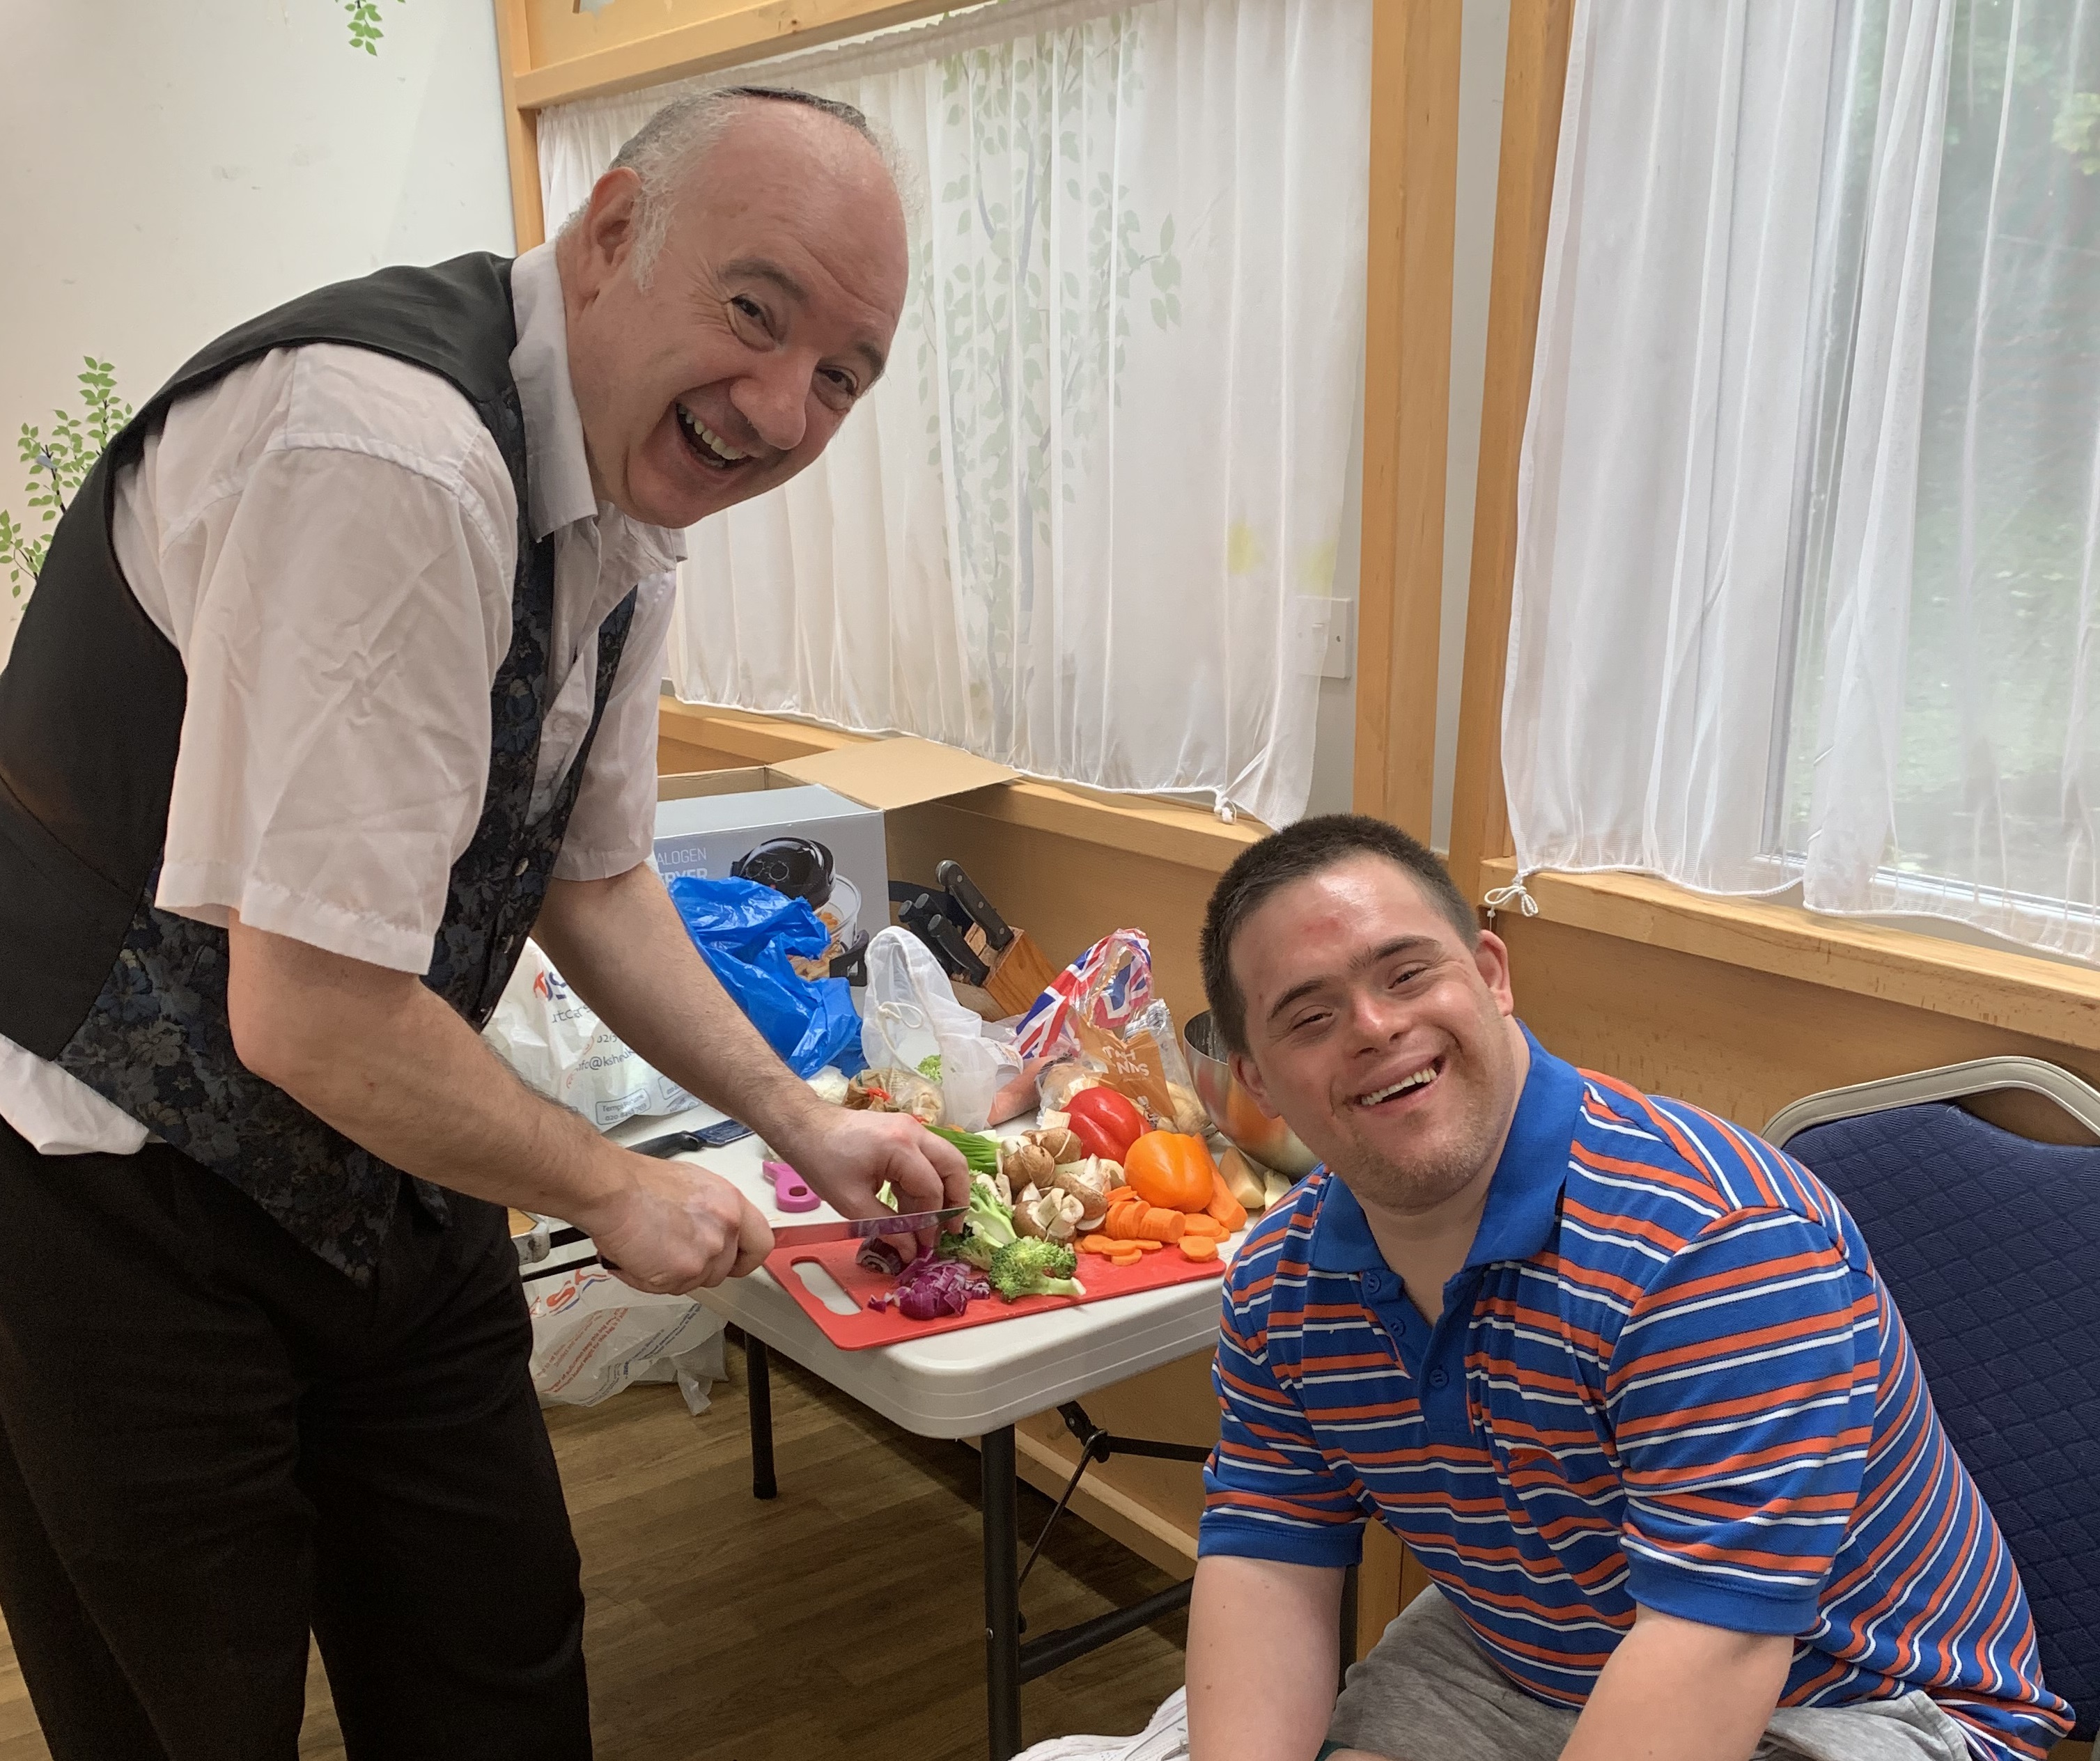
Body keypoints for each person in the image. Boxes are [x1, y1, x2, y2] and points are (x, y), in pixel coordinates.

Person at [0, 88, 965, 1760]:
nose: (779, 405)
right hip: (106, 1169)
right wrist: (607, 1181)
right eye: (755, 312)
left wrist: (805, 1119)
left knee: (495, 1648)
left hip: (382, 1159)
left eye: (840, 376)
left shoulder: (631, 526)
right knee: (181, 1702)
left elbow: (592, 884)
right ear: (608, 238)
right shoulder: (385, 450)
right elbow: (299, 1009)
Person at [1183, 816, 2072, 1761]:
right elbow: (1268, 1557)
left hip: (1858, 1699)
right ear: (1255, 1081)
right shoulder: (1279, 1284)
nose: (1374, 1026)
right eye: (1309, 1017)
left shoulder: (1713, 1244)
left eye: (1407, 973)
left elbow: (1713, 1644)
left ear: (1491, 974)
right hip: (1527, 1652)